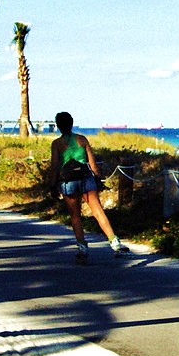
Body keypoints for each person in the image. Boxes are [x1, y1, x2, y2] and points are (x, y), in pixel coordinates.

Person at [49, 111, 128, 263]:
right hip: (85, 177)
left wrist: (52, 185)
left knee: (75, 216)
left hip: (67, 181)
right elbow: (93, 164)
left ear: (58, 126)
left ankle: (82, 249)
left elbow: (54, 167)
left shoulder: (56, 144)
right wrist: (98, 179)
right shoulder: (82, 139)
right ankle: (115, 243)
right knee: (98, 211)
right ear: (72, 123)